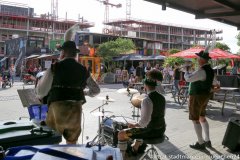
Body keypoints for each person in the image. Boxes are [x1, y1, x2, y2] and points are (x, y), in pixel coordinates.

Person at [36, 41, 100, 144]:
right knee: (72, 144)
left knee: (54, 142)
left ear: (63, 52)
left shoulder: (54, 67)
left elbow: (41, 91)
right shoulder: (83, 69)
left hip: (57, 109)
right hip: (75, 110)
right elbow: (96, 90)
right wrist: (85, 93)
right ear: (75, 54)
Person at [117, 78, 166, 158]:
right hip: (161, 129)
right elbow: (162, 114)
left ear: (145, 86)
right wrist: (136, 125)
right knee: (138, 128)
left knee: (121, 134)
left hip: (150, 132)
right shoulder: (162, 98)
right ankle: (135, 148)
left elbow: (144, 122)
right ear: (155, 86)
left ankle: (121, 157)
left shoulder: (147, 100)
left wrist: (134, 125)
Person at [184, 50, 214, 150]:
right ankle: (207, 140)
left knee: (195, 120)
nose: (197, 59)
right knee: (202, 118)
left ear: (201, 60)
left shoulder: (202, 71)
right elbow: (214, 82)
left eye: (198, 58)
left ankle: (201, 143)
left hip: (197, 97)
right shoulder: (209, 70)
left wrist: (186, 71)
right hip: (204, 96)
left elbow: (188, 79)